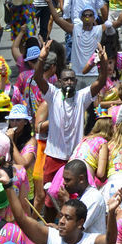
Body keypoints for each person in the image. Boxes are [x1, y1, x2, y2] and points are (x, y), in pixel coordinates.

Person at [4, 177, 120, 244]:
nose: (62, 221)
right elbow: (22, 219)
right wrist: (8, 186)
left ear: (80, 223)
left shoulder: (90, 243)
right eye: (61, 216)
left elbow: (109, 242)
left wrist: (111, 212)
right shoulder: (51, 237)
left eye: (68, 218)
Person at [33, 38, 109, 184]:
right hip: (53, 156)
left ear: (75, 82)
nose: (69, 82)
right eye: (66, 80)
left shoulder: (82, 96)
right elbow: (38, 77)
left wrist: (103, 63)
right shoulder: (53, 94)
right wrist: (42, 58)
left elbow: (101, 80)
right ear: (60, 82)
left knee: (73, 198)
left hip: (75, 157)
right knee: (50, 196)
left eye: (72, 80)